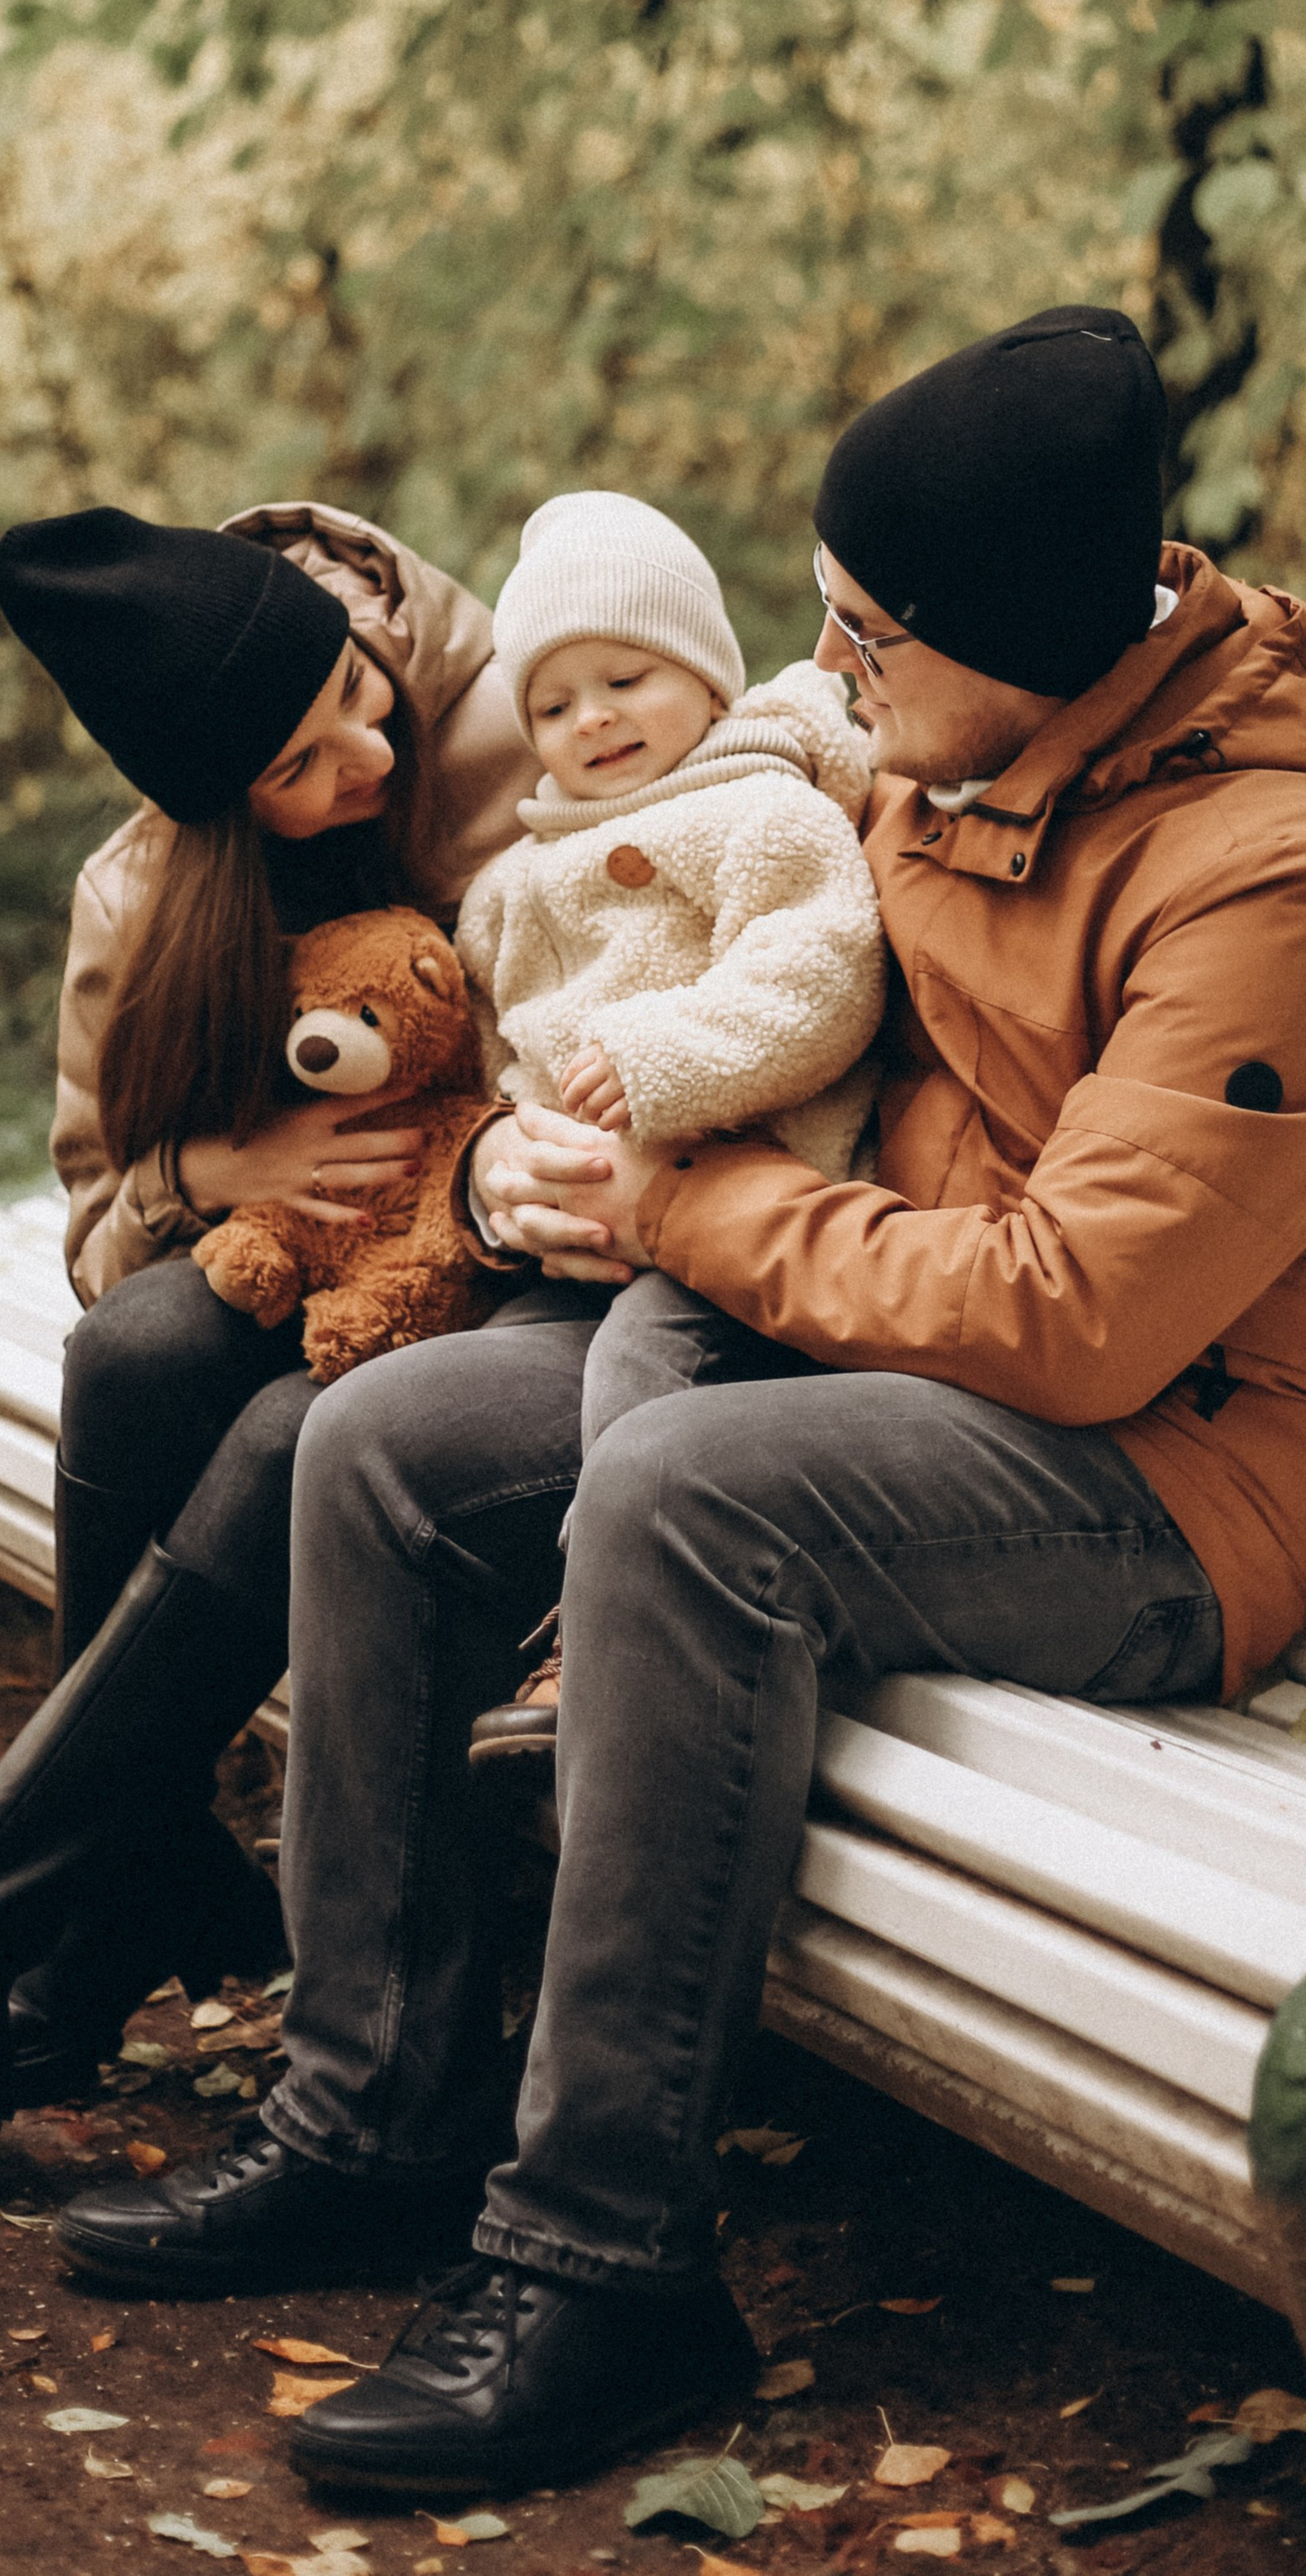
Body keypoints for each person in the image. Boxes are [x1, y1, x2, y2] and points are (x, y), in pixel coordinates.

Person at [41, 306, 1306, 2499]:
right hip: (896, 1355)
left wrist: (682, 1203)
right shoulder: (943, 752)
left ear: (1013, 648)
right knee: (380, 1446)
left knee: (690, 1498)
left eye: (863, 635)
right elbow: (717, 907)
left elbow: (1080, 1317)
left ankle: (604, 2262)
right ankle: (369, 2118)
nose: (826, 667)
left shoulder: (1271, 882)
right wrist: (531, 1147)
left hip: (1180, 1471)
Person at [0, 496, 543, 2218]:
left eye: (357, 701)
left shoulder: (519, 719)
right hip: (316, 1267)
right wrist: (209, 1171)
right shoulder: (151, 889)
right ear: (211, 807)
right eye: (299, 767)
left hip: (514, 1273)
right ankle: (123, 1870)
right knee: (136, 1354)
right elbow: (95, 1219)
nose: (365, 757)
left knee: (296, 1427)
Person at [454, 492, 886, 1758]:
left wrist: (659, 1060)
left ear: (706, 677)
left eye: (625, 679)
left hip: (741, 1215)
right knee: (431, 1385)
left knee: (648, 1371)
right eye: (552, 704)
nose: (591, 719)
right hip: (580, 1235)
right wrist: (512, 1145)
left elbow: (821, 982)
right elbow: (499, 1043)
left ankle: (599, 1638)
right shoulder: (519, 878)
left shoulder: (764, 813)